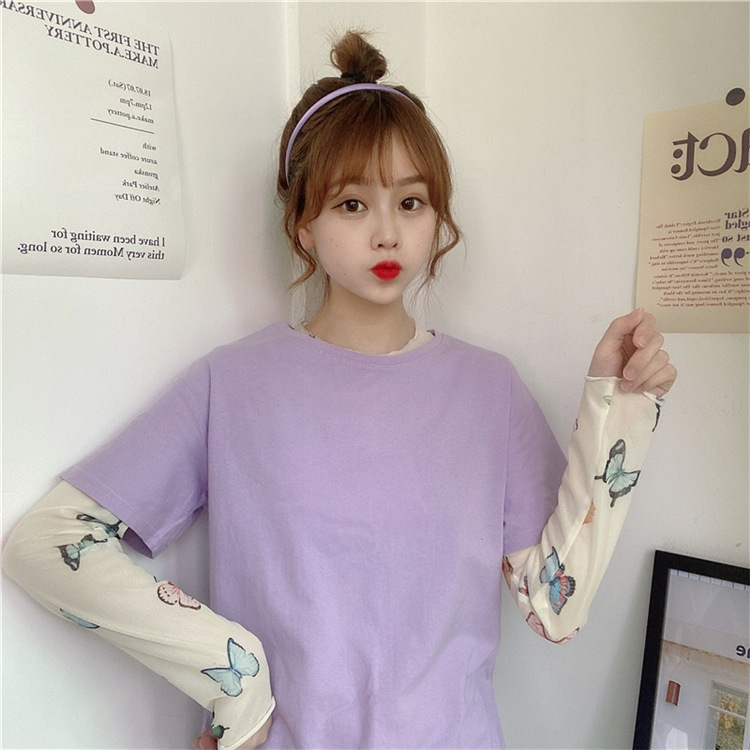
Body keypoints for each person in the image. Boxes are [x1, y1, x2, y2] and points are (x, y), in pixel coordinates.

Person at [2, 31, 676, 750]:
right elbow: (49, 541)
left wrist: (619, 406)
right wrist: (234, 675)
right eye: (353, 205)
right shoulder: (233, 384)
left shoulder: (490, 390)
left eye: (411, 202)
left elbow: (554, 605)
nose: (387, 233)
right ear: (302, 225)